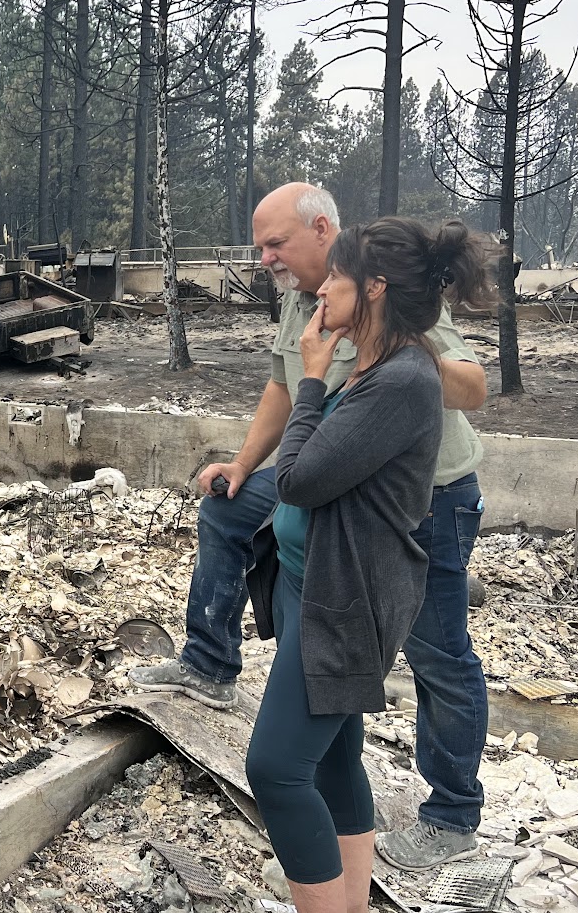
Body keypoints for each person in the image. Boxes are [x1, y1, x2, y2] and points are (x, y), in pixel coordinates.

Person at [129, 183, 493, 873]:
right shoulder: (305, 298)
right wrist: (241, 464)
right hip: (324, 475)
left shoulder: (384, 291)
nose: (265, 257)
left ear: (323, 229)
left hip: (419, 500)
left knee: (438, 652)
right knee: (229, 505)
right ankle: (209, 663)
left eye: (276, 243)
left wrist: (393, 354)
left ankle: (451, 813)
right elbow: (282, 387)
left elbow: (473, 385)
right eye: (260, 245)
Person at [244, 216, 498, 913]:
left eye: (339, 281)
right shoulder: (386, 365)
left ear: (375, 289)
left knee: (276, 769)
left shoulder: (401, 382)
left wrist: (313, 381)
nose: (325, 292)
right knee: (332, 760)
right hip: (310, 586)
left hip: (344, 606)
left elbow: (304, 477)